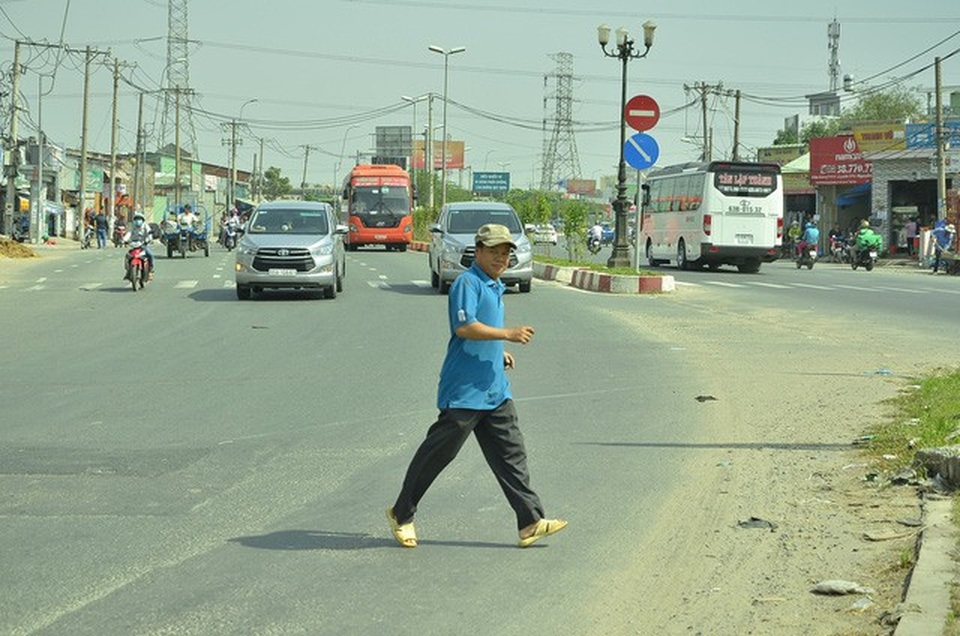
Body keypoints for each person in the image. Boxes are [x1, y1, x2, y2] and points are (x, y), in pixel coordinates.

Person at [387, 223, 567, 549]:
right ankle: (401, 514)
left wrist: (500, 352)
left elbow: (484, 331)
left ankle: (529, 522)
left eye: (506, 253)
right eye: (495, 252)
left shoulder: (495, 285)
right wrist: (507, 335)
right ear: (478, 251)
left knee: (512, 455)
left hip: (494, 389)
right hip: (465, 390)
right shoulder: (468, 283)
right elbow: (465, 327)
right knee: (438, 455)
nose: (501, 258)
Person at [122, 212, 155, 280]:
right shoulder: (132, 227)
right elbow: (129, 233)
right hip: (134, 245)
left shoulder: (146, 226)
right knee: (128, 256)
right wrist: (124, 240)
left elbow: (149, 234)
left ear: (142, 220)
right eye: (136, 219)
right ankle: (128, 271)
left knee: (150, 255)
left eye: (139, 219)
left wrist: (149, 239)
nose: (138, 221)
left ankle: (150, 271)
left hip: (143, 245)